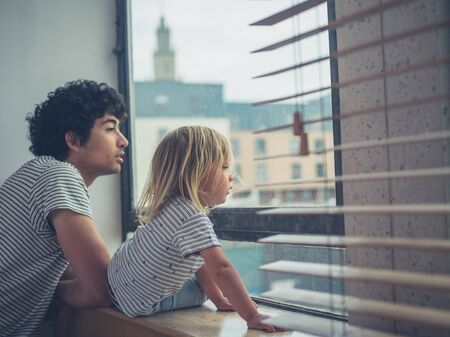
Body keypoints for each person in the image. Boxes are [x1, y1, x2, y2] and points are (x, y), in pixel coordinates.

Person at [107, 126, 283, 333]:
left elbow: (197, 261)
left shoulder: (169, 206)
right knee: (201, 291)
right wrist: (252, 315)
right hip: (139, 304)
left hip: (115, 284)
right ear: (195, 174)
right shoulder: (192, 218)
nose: (232, 176)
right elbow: (221, 269)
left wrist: (219, 299)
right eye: (225, 167)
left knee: (198, 274)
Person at [0, 79, 129, 336]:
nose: (123, 141)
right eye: (110, 128)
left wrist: (57, 284)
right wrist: (57, 290)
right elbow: (103, 289)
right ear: (73, 139)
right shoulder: (59, 175)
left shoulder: (38, 174)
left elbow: (74, 271)